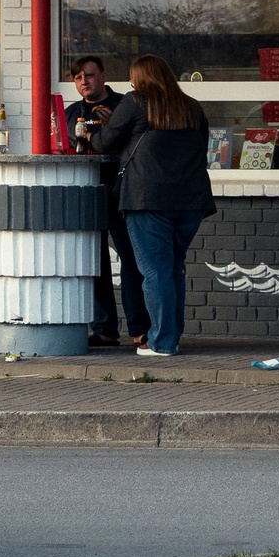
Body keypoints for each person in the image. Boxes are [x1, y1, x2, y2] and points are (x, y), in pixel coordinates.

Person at [92, 54, 215, 357]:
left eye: (133, 76)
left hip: (148, 199)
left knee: (156, 272)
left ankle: (161, 342)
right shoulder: (192, 107)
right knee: (173, 269)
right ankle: (170, 337)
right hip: (191, 201)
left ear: (140, 78)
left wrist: (98, 130)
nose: (131, 82)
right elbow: (202, 145)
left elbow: (104, 142)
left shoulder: (135, 101)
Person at [63, 56, 149, 349]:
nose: (84, 82)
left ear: (103, 75)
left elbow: (136, 142)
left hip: (121, 190)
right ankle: (104, 330)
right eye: (78, 78)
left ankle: (140, 329)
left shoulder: (125, 105)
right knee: (94, 262)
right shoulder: (71, 112)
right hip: (86, 192)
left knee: (131, 261)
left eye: (89, 75)